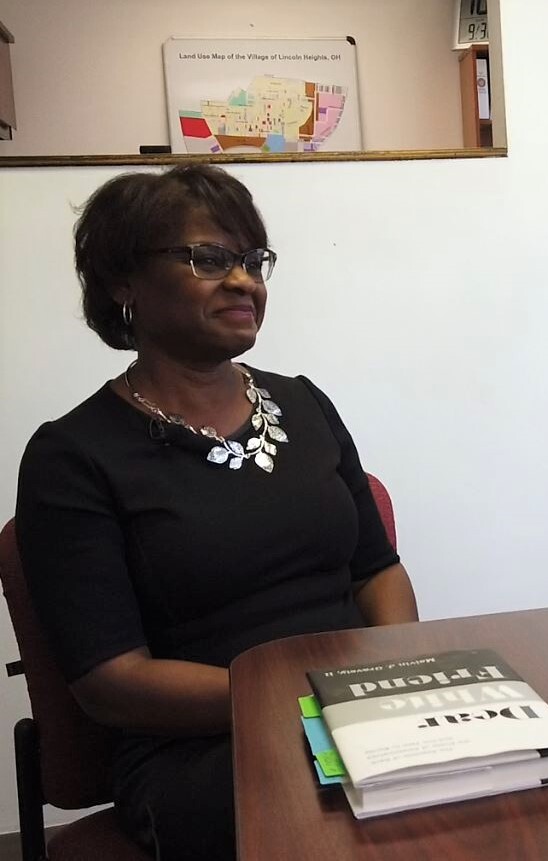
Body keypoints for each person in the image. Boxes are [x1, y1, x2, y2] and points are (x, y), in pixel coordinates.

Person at [15, 164, 419, 860]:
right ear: (123, 283)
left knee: (511, 767)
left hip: (358, 710)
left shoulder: (305, 403)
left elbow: (378, 569)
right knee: (335, 819)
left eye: (253, 259)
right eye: (209, 258)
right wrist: (303, 699)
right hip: (203, 747)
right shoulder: (72, 457)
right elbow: (112, 681)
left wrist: (390, 676)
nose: (244, 280)